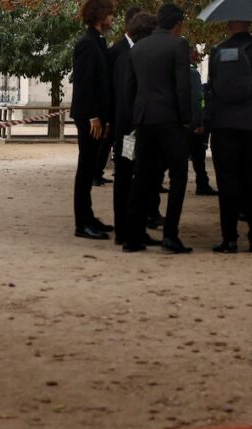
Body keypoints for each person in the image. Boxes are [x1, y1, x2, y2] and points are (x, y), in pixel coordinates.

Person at [123, 4, 193, 254]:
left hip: (143, 117)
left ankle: (132, 236)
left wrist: (134, 118)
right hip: (168, 117)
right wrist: (186, 119)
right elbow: (182, 88)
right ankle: (170, 235)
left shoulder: (138, 47)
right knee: (178, 174)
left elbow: (129, 89)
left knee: (141, 176)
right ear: (177, 24)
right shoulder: (178, 45)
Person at [207, 20, 252, 254]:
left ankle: (229, 239)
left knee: (227, 181)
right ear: (249, 23)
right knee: (251, 178)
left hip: (224, 122)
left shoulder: (218, 50)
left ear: (228, 24)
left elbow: (212, 86)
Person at [108, 7, 160, 246]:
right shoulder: (124, 54)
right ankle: (126, 230)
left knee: (133, 177)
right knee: (127, 176)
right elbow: (124, 96)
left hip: (131, 128)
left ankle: (132, 228)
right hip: (130, 131)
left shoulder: (131, 53)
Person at [70, 0, 115, 240]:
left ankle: (88, 217)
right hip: (89, 117)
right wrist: (93, 116)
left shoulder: (97, 41)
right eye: (110, 13)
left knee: (89, 168)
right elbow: (84, 83)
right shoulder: (87, 44)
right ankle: (82, 223)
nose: (112, 18)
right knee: (86, 168)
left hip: (96, 115)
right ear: (99, 14)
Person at [188, 49, 218, 196]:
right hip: (193, 122)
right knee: (198, 154)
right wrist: (199, 121)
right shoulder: (193, 73)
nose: (198, 56)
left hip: (180, 120)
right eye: (194, 53)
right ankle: (202, 183)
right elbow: (198, 99)